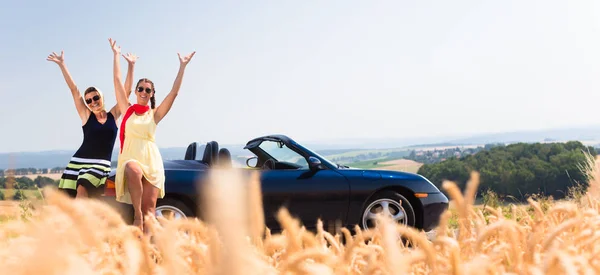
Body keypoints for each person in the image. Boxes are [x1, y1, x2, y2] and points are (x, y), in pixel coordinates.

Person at [109, 38, 196, 231]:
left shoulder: (154, 114)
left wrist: (182, 67)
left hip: (152, 161)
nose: (143, 92)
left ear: (151, 93)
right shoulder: (127, 110)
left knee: (150, 214)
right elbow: (117, 82)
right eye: (140, 89)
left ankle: (148, 253)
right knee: (133, 170)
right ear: (136, 92)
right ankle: (136, 215)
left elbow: (173, 93)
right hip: (131, 157)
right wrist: (117, 56)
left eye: (147, 90)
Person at [47, 50, 138, 199]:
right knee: (71, 197)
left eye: (95, 97)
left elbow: (125, 92)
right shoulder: (86, 116)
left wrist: (130, 65)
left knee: (82, 186)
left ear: (101, 97)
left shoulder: (113, 115)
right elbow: (74, 90)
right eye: (88, 100)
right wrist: (62, 65)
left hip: (101, 164)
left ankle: (80, 221)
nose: (92, 102)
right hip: (79, 161)